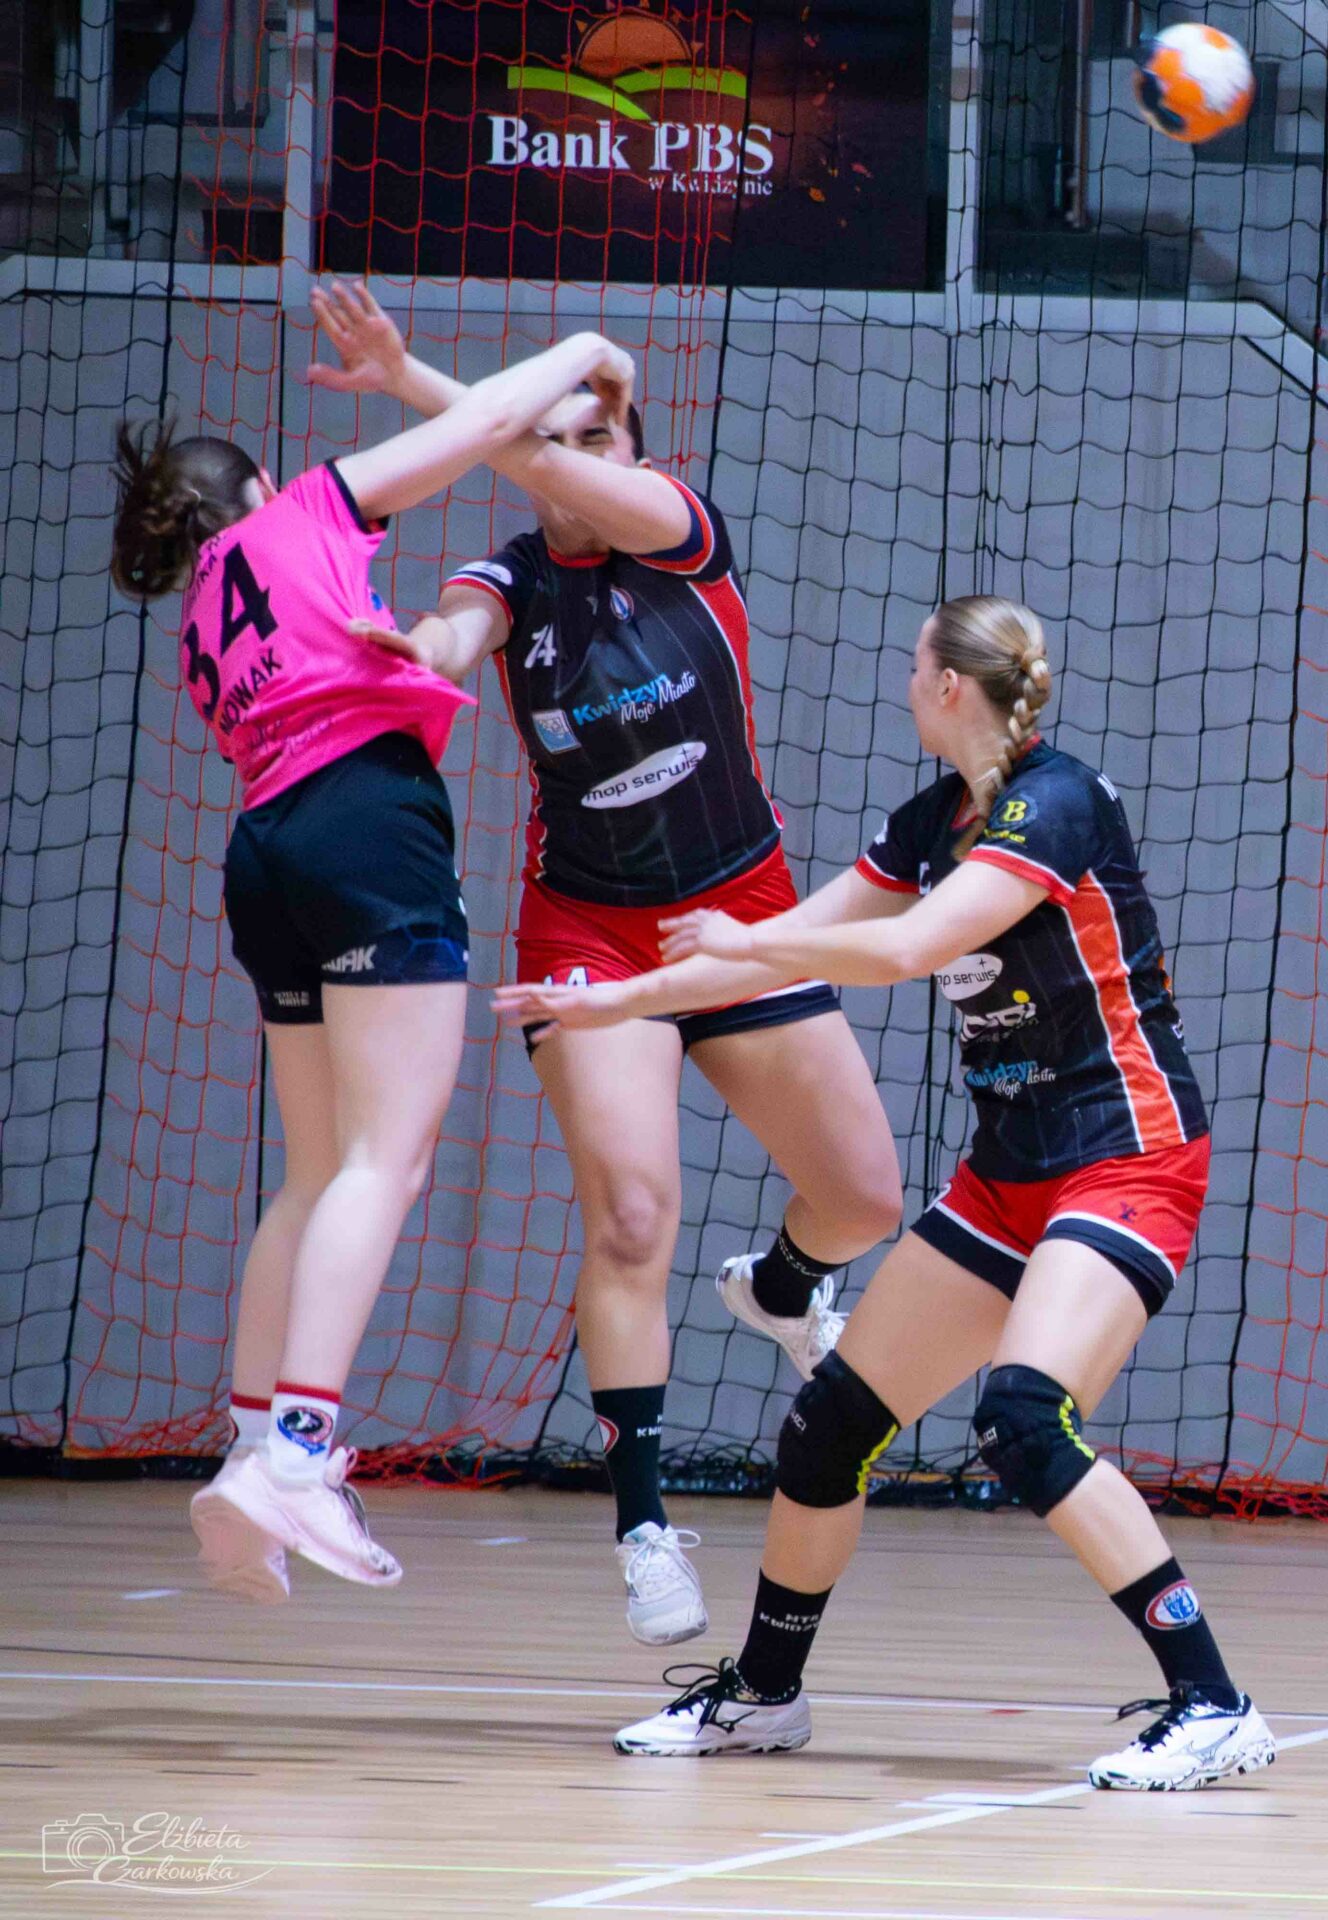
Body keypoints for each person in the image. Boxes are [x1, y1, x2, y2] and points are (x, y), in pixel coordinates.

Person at [498, 594, 1276, 1792]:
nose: (905, 683)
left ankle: (1213, 1703)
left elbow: (907, 948)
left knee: (1024, 1417)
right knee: (826, 1431)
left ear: (950, 686)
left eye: (915, 667)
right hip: (1007, 1175)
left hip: (1123, 1153)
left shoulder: (1055, 803)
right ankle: (763, 1697)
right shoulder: (928, 821)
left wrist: (748, 946)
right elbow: (786, 936)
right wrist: (614, 1000)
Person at [311, 283, 904, 1644]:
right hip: (586, 928)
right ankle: (641, 1524)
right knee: (633, 1217)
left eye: (594, 441)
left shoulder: (681, 532)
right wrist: (414, 652)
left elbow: (526, 451)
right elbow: (453, 634)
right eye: (553, 441)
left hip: (739, 914)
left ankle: (782, 1287)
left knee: (865, 1197)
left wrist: (412, 385)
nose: (571, 463)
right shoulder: (508, 579)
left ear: (632, 456)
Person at [110, 323, 637, 1601]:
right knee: (385, 1160)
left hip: (265, 848)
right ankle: (299, 1457)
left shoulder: (200, 620)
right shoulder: (300, 511)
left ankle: (253, 1447)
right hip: (364, 824)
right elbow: (481, 431)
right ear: (253, 487)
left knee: (314, 1171)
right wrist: (579, 347)